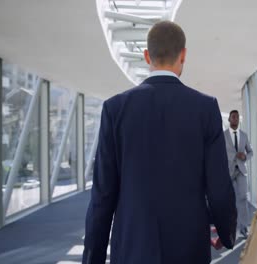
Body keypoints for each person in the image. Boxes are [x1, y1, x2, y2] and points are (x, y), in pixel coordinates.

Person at [82, 21, 237, 264]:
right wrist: (225, 231)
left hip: (133, 248)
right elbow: (219, 186)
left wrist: (93, 257)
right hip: (189, 248)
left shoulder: (115, 109)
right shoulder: (205, 109)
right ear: (183, 55)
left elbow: (102, 195)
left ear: (146, 56)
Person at [224, 110, 253, 238]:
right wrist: (235, 155)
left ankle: (244, 227)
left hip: (241, 171)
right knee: (229, 200)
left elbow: (251, 152)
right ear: (229, 120)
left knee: (243, 198)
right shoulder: (223, 135)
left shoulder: (244, 136)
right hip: (228, 170)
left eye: (236, 117)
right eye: (233, 117)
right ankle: (229, 227)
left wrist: (245, 156)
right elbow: (220, 152)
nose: (235, 119)